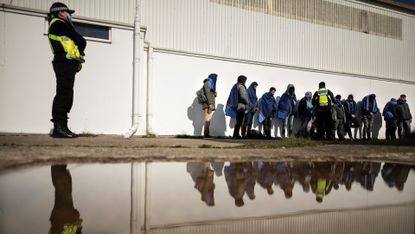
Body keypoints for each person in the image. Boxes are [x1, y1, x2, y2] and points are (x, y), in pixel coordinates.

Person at [48, 2, 86, 138]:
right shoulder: (59, 24)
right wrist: (80, 49)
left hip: (66, 62)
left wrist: (77, 58)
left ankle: (63, 127)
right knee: (64, 94)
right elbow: (81, 40)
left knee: (67, 94)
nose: (69, 15)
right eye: (67, 12)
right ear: (60, 13)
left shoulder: (59, 25)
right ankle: (59, 128)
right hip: (64, 63)